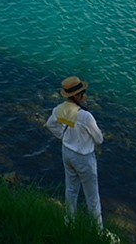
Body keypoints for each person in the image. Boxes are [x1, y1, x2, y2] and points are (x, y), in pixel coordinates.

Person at [46, 75, 105, 227]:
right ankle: (98, 232)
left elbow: (50, 124)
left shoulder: (59, 110)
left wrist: (62, 135)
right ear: (77, 96)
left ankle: (70, 222)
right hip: (84, 158)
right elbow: (99, 139)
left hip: (66, 152)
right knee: (92, 197)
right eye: (83, 92)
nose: (85, 95)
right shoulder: (86, 116)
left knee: (71, 189)